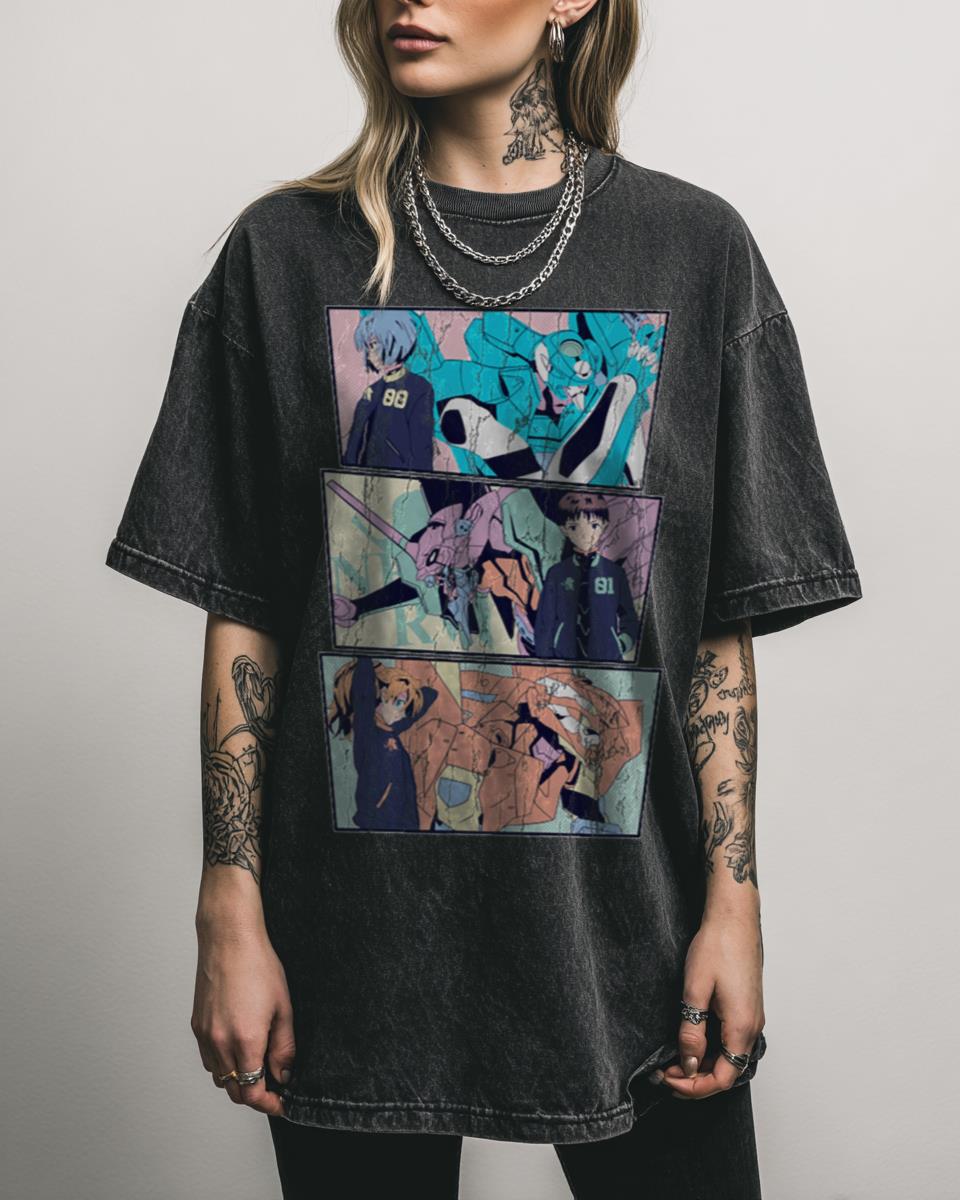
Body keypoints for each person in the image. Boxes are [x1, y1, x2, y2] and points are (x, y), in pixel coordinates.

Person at [104, 0, 864, 1196]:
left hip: (631, 940)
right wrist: (229, 906)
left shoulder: (694, 250)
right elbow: (244, 609)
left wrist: (735, 902)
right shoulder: (283, 254)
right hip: (353, 948)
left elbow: (715, 633)